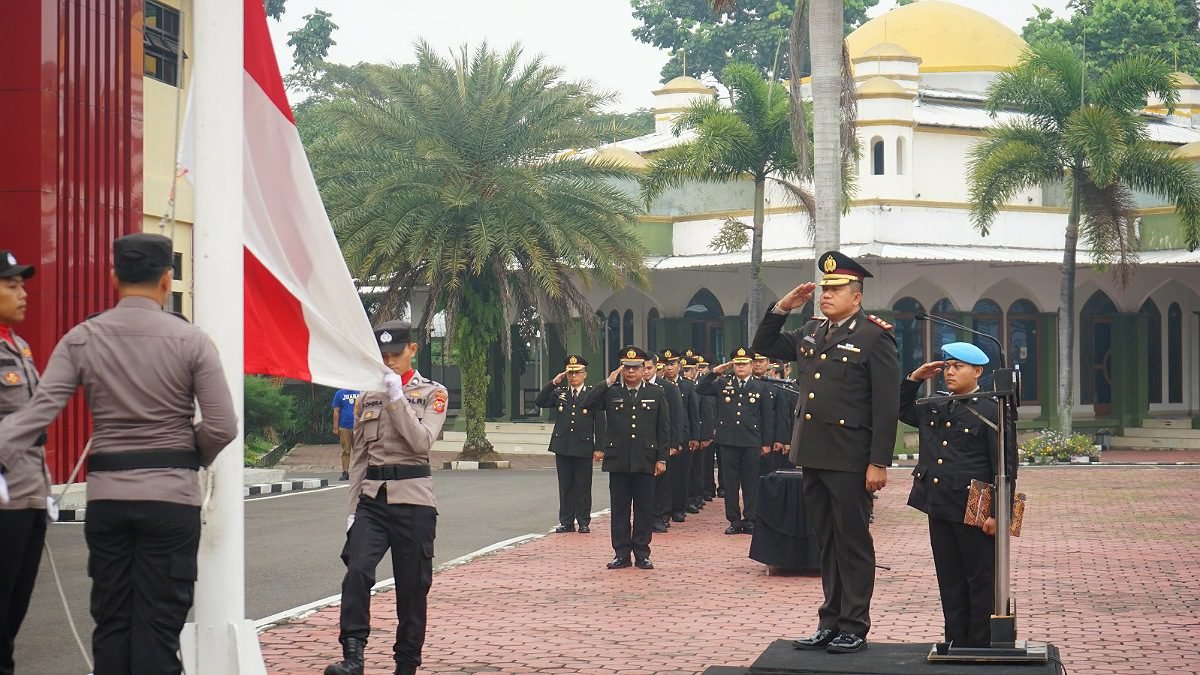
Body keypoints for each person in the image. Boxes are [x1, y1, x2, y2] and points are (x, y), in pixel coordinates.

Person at [0, 233, 239, 675]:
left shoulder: (82, 338)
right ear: (167, 280)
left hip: (108, 500)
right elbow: (224, 425)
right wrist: (188, 455)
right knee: (158, 627)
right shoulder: (192, 341)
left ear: (114, 277)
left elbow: (37, 414)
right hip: (171, 502)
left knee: (112, 623)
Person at [752, 250, 900, 654]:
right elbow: (762, 344)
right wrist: (782, 307)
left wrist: (878, 461)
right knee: (826, 542)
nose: (826, 295)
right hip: (813, 455)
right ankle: (830, 620)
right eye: (824, 289)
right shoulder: (813, 333)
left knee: (852, 542)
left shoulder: (873, 336)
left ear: (857, 295)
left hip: (851, 458)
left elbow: (885, 406)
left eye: (836, 289)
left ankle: (855, 623)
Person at [327, 321, 448, 675]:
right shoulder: (367, 395)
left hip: (414, 502)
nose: (390, 361)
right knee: (357, 573)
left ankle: (406, 665)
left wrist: (397, 399)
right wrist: (352, 512)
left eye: (396, 354)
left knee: (412, 590)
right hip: (373, 501)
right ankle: (353, 656)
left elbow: (421, 441)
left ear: (413, 349)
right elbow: (360, 459)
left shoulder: (432, 393)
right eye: (384, 356)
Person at [901, 342, 1018, 648]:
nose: (950, 372)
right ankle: (955, 641)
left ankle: (979, 645)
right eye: (948, 366)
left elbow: (1006, 464)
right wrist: (914, 379)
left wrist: (999, 513)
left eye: (958, 367)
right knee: (950, 579)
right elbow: (900, 410)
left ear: (978, 371)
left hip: (976, 503)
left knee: (980, 581)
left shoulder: (993, 409)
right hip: (940, 503)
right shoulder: (938, 405)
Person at [579, 346, 668, 570]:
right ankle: (621, 553)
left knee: (643, 509)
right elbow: (587, 403)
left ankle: (642, 553)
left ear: (643, 369)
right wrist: (607, 382)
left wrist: (662, 458)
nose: (631, 372)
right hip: (618, 460)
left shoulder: (656, 393)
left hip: (645, 459)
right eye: (626, 368)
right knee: (619, 509)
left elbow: (663, 429)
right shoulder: (611, 392)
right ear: (621, 369)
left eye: (635, 368)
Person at [0, 250, 45, 675]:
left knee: (15, 606)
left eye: (22, 284)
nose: (22, 293)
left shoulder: (20, 346)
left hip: (29, 494)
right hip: (2, 500)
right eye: (11, 285)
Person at [695, 347, 774, 535]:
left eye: (744, 364)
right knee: (730, 483)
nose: (740, 368)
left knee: (750, 482)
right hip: (728, 440)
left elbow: (767, 417)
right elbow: (701, 388)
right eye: (737, 364)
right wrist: (715, 371)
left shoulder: (761, 387)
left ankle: (750, 518)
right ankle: (734, 520)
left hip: (751, 440)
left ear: (751, 365)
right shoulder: (723, 383)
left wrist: (766, 443)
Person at [534, 355, 605, 534]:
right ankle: (566, 521)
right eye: (570, 373)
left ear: (584, 374)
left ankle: (583, 521)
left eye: (577, 373)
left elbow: (600, 422)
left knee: (582, 485)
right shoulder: (560, 393)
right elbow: (540, 401)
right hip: (563, 445)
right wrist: (553, 383)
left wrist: (599, 448)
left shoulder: (591, 394)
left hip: (583, 446)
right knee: (565, 485)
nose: (574, 377)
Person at [643, 353, 681, 533]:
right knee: (643, 484)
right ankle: (645, 516)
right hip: (640, 444)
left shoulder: (668, 388)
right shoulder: (630, 387)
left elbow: (675, 418)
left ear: (656, 368)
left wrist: (674, 443)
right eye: (643, 368)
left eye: (649, 368)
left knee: (662, 482)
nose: (645, 372)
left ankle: (660, 516)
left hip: (661, 443)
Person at [661, 348, 699, 523]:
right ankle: (664, 509)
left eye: (672, 364)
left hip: (683, 435)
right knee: (664, 477)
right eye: (666, 365)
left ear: (679, 366)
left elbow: (694, 413)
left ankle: (678, 508)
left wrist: (695, 437)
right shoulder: (658, 386)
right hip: (662, 437)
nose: (669, 368)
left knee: (681, 474)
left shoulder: (688, 385)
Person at [332, 388, 361, 481]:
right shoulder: (339, 393)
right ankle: (345, 472)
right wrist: (336, 427)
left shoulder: (359, 392)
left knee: (359, 451)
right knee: (346, 450)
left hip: (358, 426)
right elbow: (336, 410)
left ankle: (359, 472)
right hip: (344, 426)